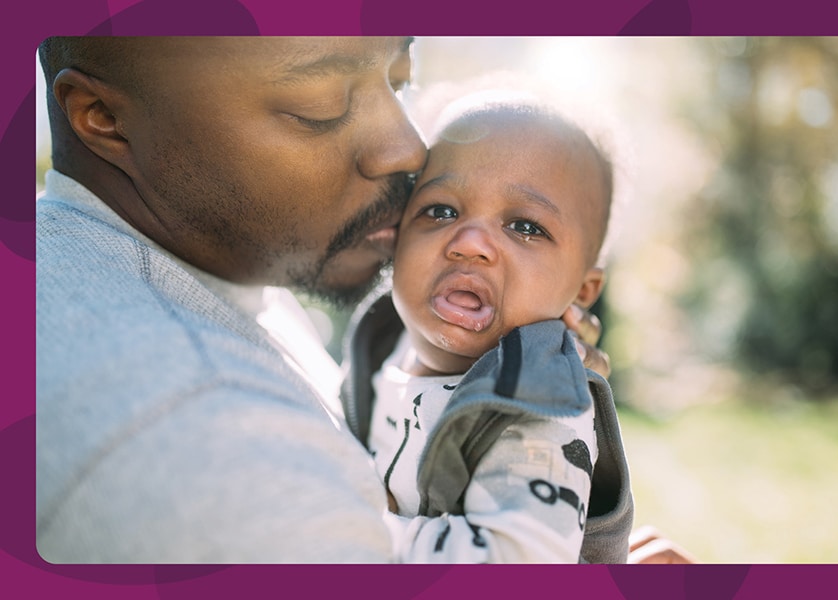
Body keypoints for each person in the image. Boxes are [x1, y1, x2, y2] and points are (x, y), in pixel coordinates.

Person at [35, 36, 609, 563]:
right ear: (105, 118)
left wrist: (587, 526)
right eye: (320, 106)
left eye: (399, 80)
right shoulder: (195, 428)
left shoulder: (222, 274)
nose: (409, 149)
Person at [340, 97, 633, 563]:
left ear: (581, 291)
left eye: (524, 226)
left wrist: (352, 524)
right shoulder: (384, 342)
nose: (470, 243)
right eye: (440, 211)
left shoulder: (538, 407)